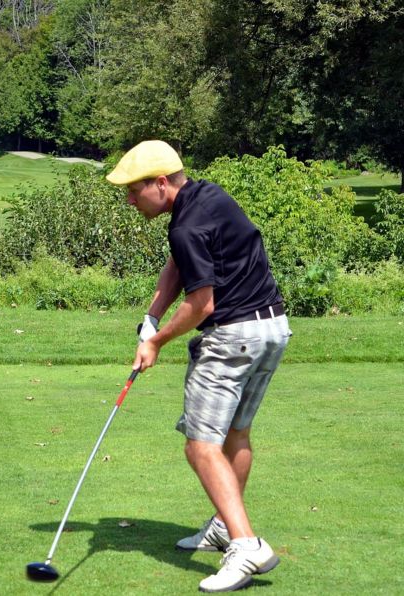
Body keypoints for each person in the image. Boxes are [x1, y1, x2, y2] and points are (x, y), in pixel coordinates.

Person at [106, 140, 291, 593]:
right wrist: (151, 316)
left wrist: (158, 342)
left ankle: (245, 545)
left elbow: (202, 304)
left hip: (232, 338)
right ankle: (226, 527)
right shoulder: (208, 197)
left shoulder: (185, 226)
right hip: (272, 329)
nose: (130, 200)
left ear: (162, 183)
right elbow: (180, 262)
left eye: (134, 190)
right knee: (235, 435)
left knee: (200, 445)